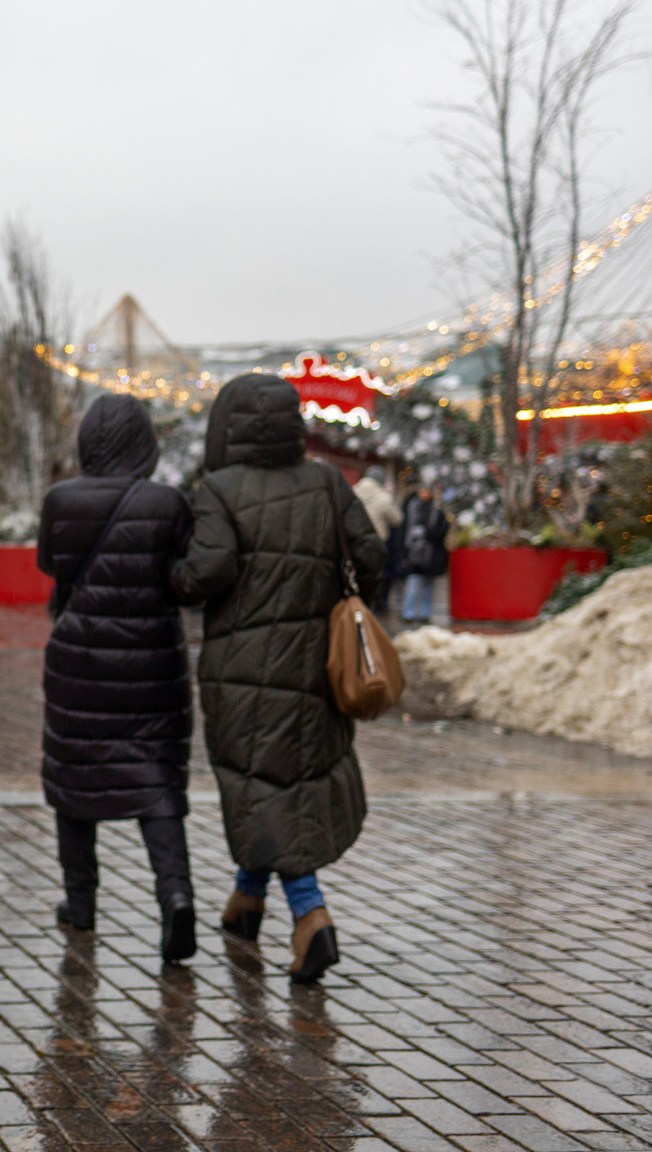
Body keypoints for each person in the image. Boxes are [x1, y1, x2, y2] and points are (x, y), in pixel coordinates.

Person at [170, 374, 384, 984]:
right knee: (278, 784)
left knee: (259, 783)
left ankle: (310, 914)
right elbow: (370, 558)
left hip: (239, 672)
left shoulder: (219, 488)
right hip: (317, 665)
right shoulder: (326, 482)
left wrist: (174, 576)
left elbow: (207, 572)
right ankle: (246, 902)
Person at [35, 394, 197, 961]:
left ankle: (81, 905)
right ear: (144, 442)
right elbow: (181, 574)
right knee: (157, 782)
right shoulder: (168, 502)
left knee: (75, 782)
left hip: (79, 661)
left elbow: (50, 566)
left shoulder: (61, 499)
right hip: (154, 662)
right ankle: (176, 897)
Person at [399, 485, 451, 625]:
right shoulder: (410, 509)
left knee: (428, 584)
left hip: (431, 555)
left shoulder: (437, 513)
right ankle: (408, 612)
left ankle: (424, 613)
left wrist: (426, 533)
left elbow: (442, 531)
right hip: (413, 554)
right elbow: (403, 530)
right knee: (413, 582)